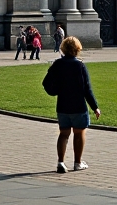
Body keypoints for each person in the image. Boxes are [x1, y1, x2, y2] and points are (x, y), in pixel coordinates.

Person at [41, 35, 100, 173]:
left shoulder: (57, 64)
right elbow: (87, 89)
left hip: (63, 105)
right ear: (77, 49)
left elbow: (46, 83)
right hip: (78, 105)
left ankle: (60, 162)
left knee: (64, 134)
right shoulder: (80, 66)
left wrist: (54, 91)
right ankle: (77, 162)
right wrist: (95, 107)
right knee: (79, 134)